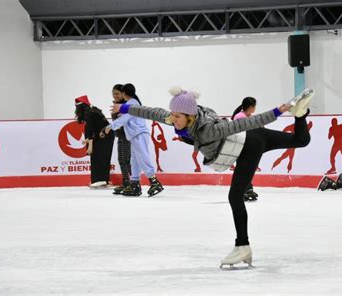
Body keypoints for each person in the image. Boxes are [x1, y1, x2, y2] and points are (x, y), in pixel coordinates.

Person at [111, 87, 314, 268]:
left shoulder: (209, 130)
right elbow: (151, 112)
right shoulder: (176, 117)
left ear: (190, 117)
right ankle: (301, 114)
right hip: (252, 138)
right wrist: (124, 109)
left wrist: (278, 111)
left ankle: (242, 246)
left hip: (249, 145)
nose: (172, 119)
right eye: (172, 114)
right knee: (301, 140)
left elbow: (248, 122)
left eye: (177, 116)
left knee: (235, 197)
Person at [104, 83, 164, 197]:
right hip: (135, 135)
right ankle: (135, 184)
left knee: (142, 157)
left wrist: (110, 127)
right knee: (135, 161)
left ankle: (154, 181)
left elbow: (124, 119)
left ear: (124, 93)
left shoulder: (131, 104)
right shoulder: (132, 103)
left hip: (139, 134)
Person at [75, 95, 114, 188]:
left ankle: (100, 180)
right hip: (104, 135)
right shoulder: (92, 111)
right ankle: (104, 180)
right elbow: (91, 129)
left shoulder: (89, 113)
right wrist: (87, 140)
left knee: (99, 156)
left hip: (104, 136)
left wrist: (90, 146)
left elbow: (90, 129)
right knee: (103, 157)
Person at [231, 97, 259, 202]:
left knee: (248, 168)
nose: (255, 108)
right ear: (251, 107)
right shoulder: (239, 116)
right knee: (243, 169)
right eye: (254, 106)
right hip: (240, 145)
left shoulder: (250, 116)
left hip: (248, 146)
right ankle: (242, 190)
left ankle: (248, 188)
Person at [110, 84, 132, 195]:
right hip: (121, 136)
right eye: (114, 93)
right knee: (122, 159)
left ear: (123, 94)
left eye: (117, 93)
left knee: (125, 160)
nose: (115, 95)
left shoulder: (125, 106)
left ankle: (131, 183)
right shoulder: (117, 105)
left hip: (127, 136)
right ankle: (127, 182)